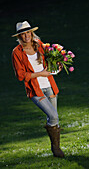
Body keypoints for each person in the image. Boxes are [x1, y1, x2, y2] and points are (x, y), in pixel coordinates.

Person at [12, 21, 64, 158]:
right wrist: (40, 74)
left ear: (31, 33)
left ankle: (56, 148)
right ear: (19, 36)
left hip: (49, 85)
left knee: (55, 119)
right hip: (35, 90)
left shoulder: (39, 45)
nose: (26, 36)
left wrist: (57, 65)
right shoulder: (16, 53)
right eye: (22, 34)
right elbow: (21, 75)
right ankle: (55, 147)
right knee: (53, 116)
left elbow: (49, 61)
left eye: (28, 33)